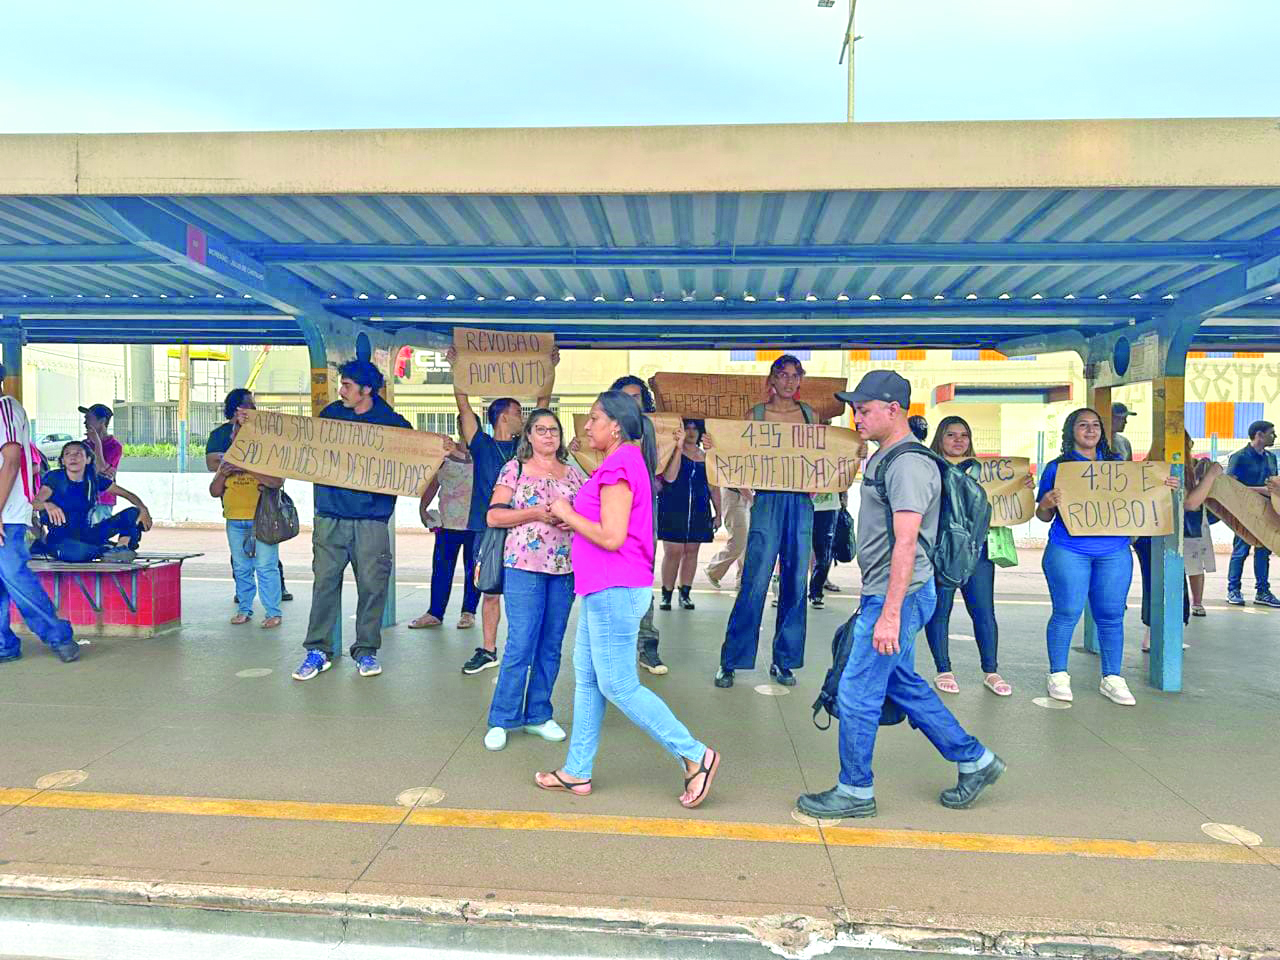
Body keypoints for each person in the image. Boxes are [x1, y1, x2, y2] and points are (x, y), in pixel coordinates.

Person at [797, 371, 1003, 820]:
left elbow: (906, 543)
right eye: (856, 408)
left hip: (900, 594)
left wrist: (889, 614)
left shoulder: (908, 464)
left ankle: (855, 791)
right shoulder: (886, 456)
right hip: (894, 593)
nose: (857, 416)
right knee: (899, 683)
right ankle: (975, 760)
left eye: (865, 409)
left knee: (856, 691)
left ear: (894, 410)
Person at [534, 390, 720, 807]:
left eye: (594, 418)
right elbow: (604, 527)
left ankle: (695, 754)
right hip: (603, 588)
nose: (586, 426)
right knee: (587, 678)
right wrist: (571, 518)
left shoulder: (620, 464)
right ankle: (577, 771)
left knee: (617, 684)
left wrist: (566, 513)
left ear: (615, 425)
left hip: (613, 589)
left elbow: (612, 537)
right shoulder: (623, 462)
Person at [293, 359, 441, 681]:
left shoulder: (393, 423)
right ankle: (317, 650)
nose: (341, 391)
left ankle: (366, 651)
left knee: (373, 587)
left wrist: (440, 449)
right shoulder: (330, 416)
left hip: (373, 520)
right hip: (330, 516)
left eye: (347, 385)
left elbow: (416, 458)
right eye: (341, 384)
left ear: (366, 390)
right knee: (324, 585)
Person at [1035, 407, 1179, 705]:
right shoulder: (1058, 467)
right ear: (1070, 431)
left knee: (1112, 615)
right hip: (1069, 549)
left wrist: (1162, 486)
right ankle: (1058, 674)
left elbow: (1140, 494)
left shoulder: (1118, 464)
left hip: (1114, 551)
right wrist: (1047, 502)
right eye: (1082, 425)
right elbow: (1043, 515)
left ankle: (1112, 677)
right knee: (1067, 612)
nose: (1090, 430)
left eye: (1095, 425)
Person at [445, 346, 556, 675]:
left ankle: (526, 648)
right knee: (490, 591)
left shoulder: (527, 446)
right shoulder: (480, 443)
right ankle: (489, 649)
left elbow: (543, 405)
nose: (524, 416)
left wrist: (549, 369)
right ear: (503, 416)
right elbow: (462, 404)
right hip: (488, 530)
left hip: (526, 530)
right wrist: (456, 366)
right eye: (517, 411)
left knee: (526, 594)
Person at [482, 409, 586, 750]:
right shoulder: (514, 469)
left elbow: (587, 513)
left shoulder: (572, 474)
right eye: (540, 429)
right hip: (523, 565)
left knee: (551, 644)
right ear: (528, 435)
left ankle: (539, 713)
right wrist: (536, 513)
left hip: (564, 568)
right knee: (521, 642)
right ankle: (502, 718)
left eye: (553, 429)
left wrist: (573, 521)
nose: (548, 435)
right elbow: (494, 515)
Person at [715, 354, 815, 689]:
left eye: (794, 375)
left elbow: (823, 456)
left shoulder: (809, 415)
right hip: (767, 500)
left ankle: (784, 661)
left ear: (800, 380)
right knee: (755, 580)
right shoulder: (756, 415)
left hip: (800, 502)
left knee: (796, 582)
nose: (788, 381)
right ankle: (731, 660)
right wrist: (748, 490)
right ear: (772, 379)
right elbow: (736, 456)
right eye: (782, 374)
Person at [921, 416, 1029, 697]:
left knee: (983, 610)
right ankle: (943, 669)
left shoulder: (987, 474)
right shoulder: (928, 468)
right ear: (939, 439)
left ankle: (991, 671)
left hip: (979, 551)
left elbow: (1008, 499)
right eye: (951, 435)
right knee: (940, 610)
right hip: (942, 551)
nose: (958, 440)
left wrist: (1021, 486)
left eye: (964, 435)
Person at [0, 367, 79, 664]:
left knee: (15, 576)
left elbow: (10, 462)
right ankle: (4, 644)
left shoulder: (5, 407)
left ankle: (59, 635)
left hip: (6, 513)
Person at [609, 375, 682, 675]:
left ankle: (646, 645)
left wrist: (676, 448)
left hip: (641, 514)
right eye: (625, 396)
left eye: (636, 396)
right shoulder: (602, 426)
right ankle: (615, 646)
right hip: (610, 511)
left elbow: (668, 477)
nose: (631, 401)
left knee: (639, 578)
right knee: (611, 578)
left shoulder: (650, 428)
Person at [1136, 434, 1222, 649]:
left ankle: (1153, 635)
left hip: (1149, 534)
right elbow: (1191, 503)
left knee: (1155, 584)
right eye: (1188, 444)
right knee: (1170, 585)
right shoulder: (1169, 467)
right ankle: (1163, 636)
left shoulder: (1152, 465)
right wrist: (1211, 475)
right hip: (1158, 535)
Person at [207, 393, 285, 629]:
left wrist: (247, 468)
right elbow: (214, 489)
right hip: (234, 516)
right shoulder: (226, 456)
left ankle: (273, 611)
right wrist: (224, 471)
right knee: (241, 566)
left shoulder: (266, 445)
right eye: (235, 433)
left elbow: (276, 481)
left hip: (262, 516)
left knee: (266, 566)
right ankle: (244, 608)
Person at [33, 441, 152, 563]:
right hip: (61, 540)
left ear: (88, 459)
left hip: (87, 534)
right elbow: (34, 503)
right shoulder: (55, 478)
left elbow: (127, 494)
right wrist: (48, 505)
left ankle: (121, 547)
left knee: (133, 512)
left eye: (78, 454)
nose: (73, 457)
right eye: (68, 454)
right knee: (77, 554)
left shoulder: (92, 479)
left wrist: (143, 509)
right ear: (63, 461)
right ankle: (107, 550)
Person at [409, 438, 478, 630]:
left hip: (475, 524)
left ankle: (468, 612)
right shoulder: (444, 456)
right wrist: (423, 508)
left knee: (473, 571)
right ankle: (435, 613)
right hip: (447, 523)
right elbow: (433, 484)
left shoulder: (482, 454)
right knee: (441, 570)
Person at [657, 418, 720, 611]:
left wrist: (719, 513)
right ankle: (666, 593)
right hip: (673, 507)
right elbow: (670, 477)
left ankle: (685, 593)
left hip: (699, 509)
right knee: (673, 551)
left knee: (692, 551)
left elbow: (713, 487)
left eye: (695, 428)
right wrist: (678, 448)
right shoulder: (671, 453)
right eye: (688, 428)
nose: (692, 432)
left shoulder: (706, 456)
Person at [1225, 420, 1278, 608]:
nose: (1275, 436)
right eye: (1271, 433)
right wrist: (1261, 490)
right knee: (1241, 550)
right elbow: (1230, 486)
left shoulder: (1271, 458)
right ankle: (1233, 589)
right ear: (1259, 435)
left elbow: (1274, 485)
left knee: (1264, 551)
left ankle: (1262, 591)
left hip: (1267, 510)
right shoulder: (1239, 457)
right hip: (1244, 512)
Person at [80, 404, 122, 525]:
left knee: (98, 535)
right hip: (83, 497)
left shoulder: (114, 446)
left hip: (102, 498)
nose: (85, 422)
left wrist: (97, 444)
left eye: (89, 418)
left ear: (102, 421)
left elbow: (100, 468)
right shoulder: (84, 444)